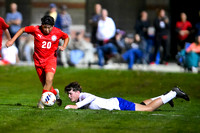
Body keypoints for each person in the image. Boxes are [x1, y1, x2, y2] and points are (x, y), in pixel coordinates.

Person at [5, 15, 70, 109]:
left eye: (49, 27)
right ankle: (55, 93)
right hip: (38, 61)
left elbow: (66, 37)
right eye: (45, 27)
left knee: (49, 80)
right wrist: (12, 40)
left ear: (53, 26)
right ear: (41, 25)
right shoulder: (36, 29)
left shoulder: (57, 32)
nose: (47, 30)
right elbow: (22, 29)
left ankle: (41, 102)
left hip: (50, 59)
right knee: (45, 85)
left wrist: (64, 46)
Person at [64, 82, 189, 111]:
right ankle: (165, 96)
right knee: (143, 104)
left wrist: (75, 106)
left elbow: (91, 98)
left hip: (117, 104)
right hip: (116, 102)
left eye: (70, 93)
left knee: (148, 109)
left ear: (77, 92)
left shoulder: (85, 96)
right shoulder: (81, 98)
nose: (69, 96)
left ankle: (174, 93)